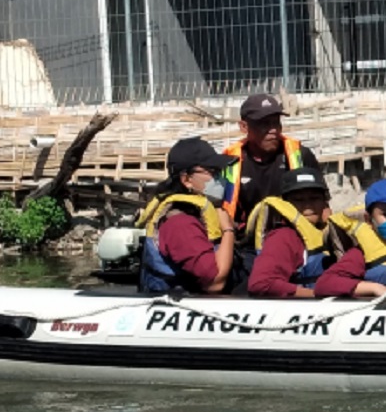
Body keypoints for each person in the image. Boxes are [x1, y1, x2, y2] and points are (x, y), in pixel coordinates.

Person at [137, 137, 240, 294]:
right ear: (186, 180)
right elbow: (214, 282)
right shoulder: (179, 223)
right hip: (181, 305)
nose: (220, 179)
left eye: (220, 172)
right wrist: (228, 230)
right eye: (213, 172)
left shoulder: (199, 213)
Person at [219, 93, 320, 229]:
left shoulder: (300, 155)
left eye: (276, 122)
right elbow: (220, 213)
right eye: (264, 124)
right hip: (246, 243)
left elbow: (322, 206)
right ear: (244, 127)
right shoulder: (229, 163)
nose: (273, 130)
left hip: (294, 235)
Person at [245, 167, 335, 298]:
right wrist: (316, 295)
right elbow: (261, 283)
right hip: (304, 311)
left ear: (324, 202)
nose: (308, 205)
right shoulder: (283, 237)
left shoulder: (330, 232)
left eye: (314, 198)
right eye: (299, 200)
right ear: (286, 204)